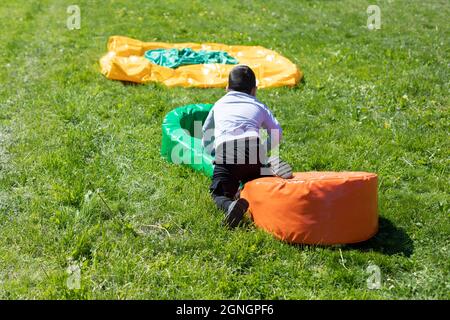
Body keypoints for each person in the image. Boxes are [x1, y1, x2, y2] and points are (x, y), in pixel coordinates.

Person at [202, 65, 292, 228]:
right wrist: (264, 150)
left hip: (227, 151)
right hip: (254, 149)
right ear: (254, 90)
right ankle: (269, 172)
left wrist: (211, 152)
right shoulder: (258, 105)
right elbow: (277, 132)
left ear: (227, 88)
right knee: (255, 179)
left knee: (219, 193)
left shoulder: (219, 104)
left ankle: (230, 205)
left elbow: (206, 130)